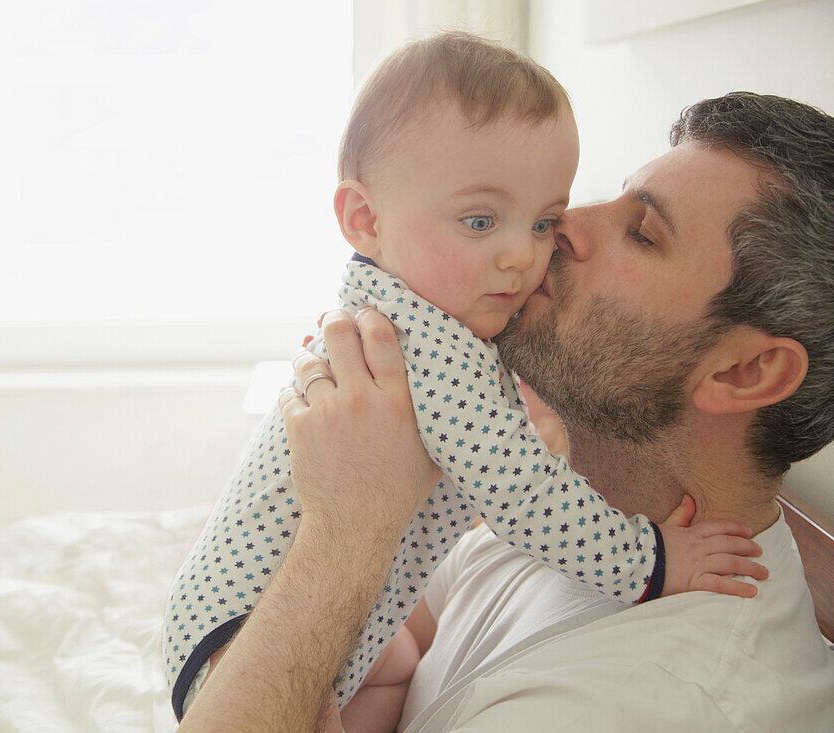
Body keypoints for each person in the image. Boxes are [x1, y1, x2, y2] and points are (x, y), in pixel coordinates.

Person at [176, 90, 834, 732]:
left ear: (743, 370)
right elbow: (415, 626)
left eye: (641, 233)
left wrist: (343, 529)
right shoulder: (570, 499)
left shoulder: (635, 702)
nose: (565, 224)